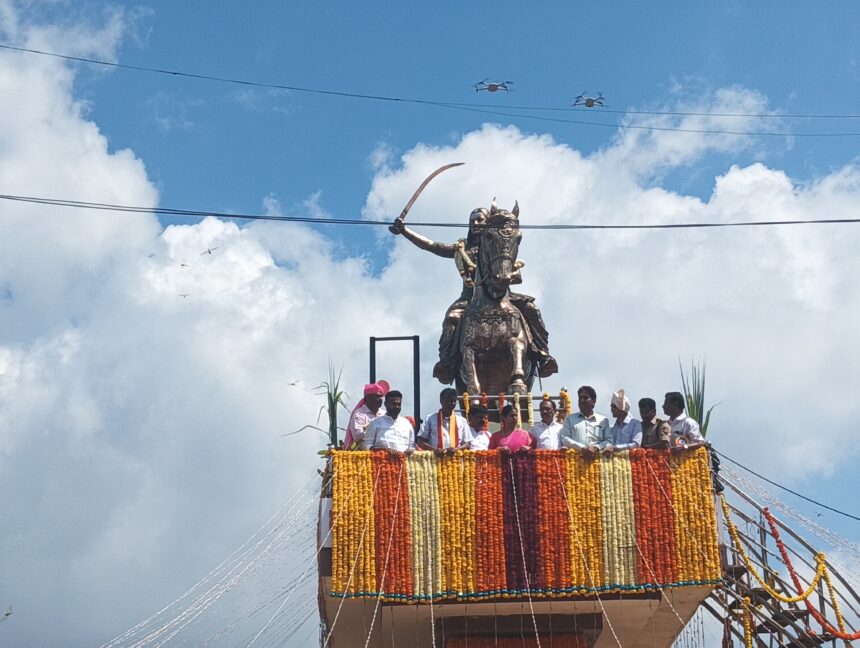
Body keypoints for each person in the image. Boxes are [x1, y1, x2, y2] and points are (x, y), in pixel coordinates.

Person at [390, 206, 556, 384]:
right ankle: (447, 361)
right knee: (451, 318)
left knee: (531, 309)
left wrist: (506, 276)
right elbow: (432, 246)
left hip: (503, 295)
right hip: (469, 299)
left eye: (480, 220)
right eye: (472, 221)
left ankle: (542, 354)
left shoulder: (499, 243)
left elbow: (516, 275)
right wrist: (405, 231)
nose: (476, 223)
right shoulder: (461, 248)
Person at [559, 385, 609, 456]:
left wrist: (596, 448)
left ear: (593, 401)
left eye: (585, 398)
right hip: (575, 462)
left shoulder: (603, 420)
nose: (582, 400)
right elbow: (564, 438)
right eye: (580, 398)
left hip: (598, 462)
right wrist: (582, 448)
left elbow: (608, 440)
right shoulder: (569, 419)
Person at [417, 387, 471, 453]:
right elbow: (420, 441)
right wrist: (434, 450)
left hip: (456, 460)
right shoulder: (430, 419)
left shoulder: (462, 421)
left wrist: (456, 450)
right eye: (449, 401)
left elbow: (468, 444)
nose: (452, 403)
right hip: (435, 460)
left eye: (454, 401)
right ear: (441, 401)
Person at [344, 381, 387, 449]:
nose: (380, 399)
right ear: (368, 398)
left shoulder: (384, 414)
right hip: (364, 454)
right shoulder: (359, 414)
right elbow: (358, 436)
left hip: (384, 452)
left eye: (381, 397)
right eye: (377, 396)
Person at [604, 389, 642, 455]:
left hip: (630, 462)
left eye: (614, 407)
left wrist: (616, 448)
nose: (611, 409)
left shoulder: (635, 424)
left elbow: (636, 444)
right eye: (611, 406)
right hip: (614, 462)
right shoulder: (612, 427)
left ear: (622, 409)